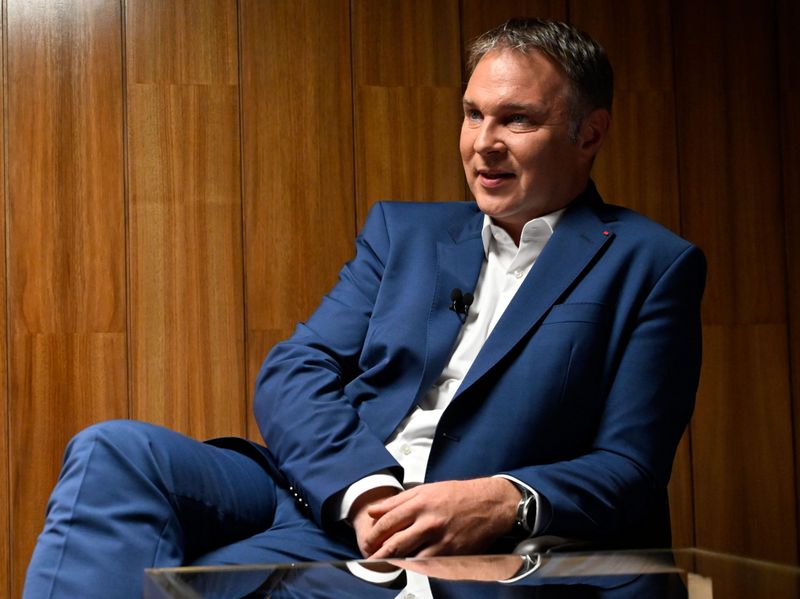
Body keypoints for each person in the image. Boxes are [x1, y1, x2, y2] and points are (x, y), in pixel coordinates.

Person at [24, 17, 705, 598]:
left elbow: (630, 466)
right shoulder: (404, 232)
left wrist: (503, 498)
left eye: (517, 119)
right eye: (473, 114)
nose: (483, 143)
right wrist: (363, 489)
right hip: (325, 490)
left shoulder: (650, 263)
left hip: (469, 544)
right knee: (113, 451)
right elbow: (296, 369)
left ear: (589, 134)